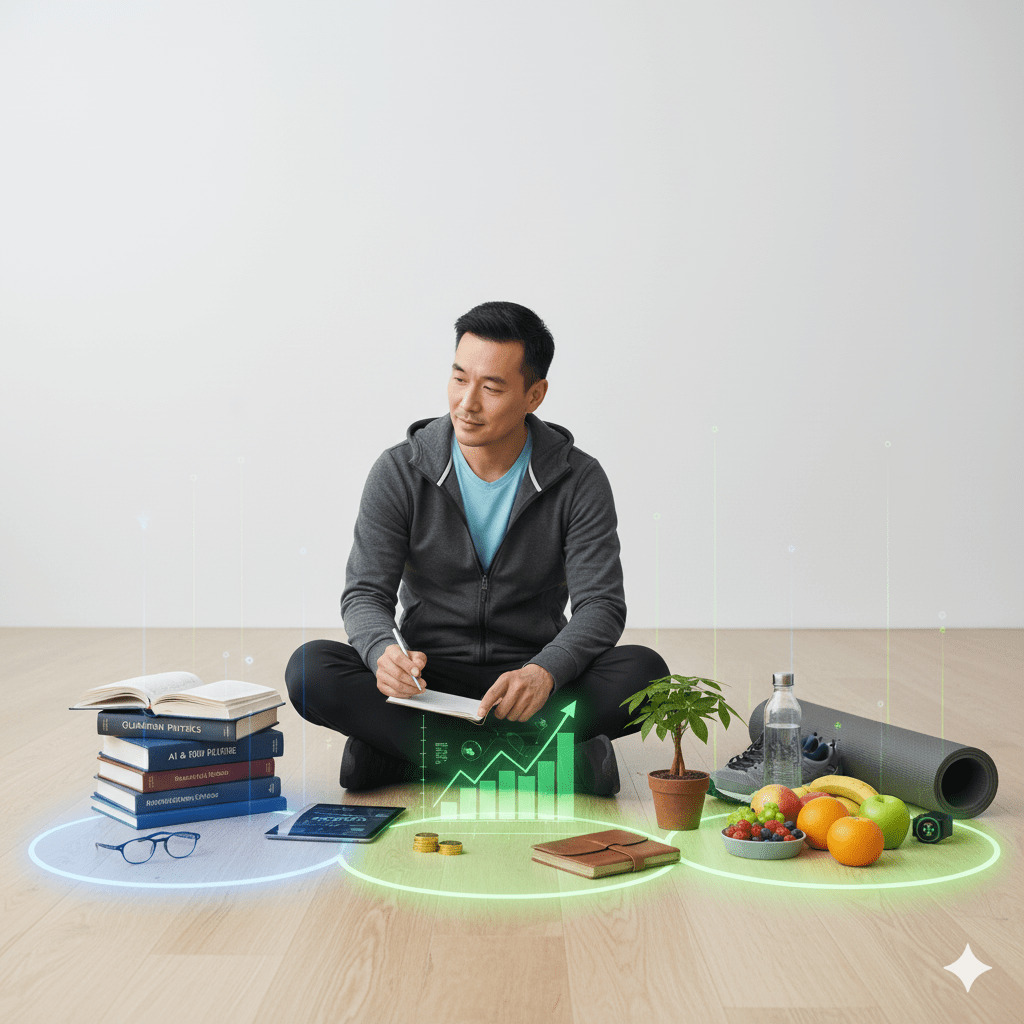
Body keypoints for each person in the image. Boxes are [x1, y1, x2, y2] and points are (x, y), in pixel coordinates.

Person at [285, 300, 668, 794]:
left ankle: (410, 754)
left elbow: (601, 606)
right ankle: (550, 760)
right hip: (428, 681)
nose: (467, 403)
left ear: (535, 395)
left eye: (491, 388)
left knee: (646, 674)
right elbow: (364, 595)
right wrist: (385, 654)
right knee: (311, 670)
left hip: (529, 685)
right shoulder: (400, 470)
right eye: (459, 378)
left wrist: (544, 673)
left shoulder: (579, 479)